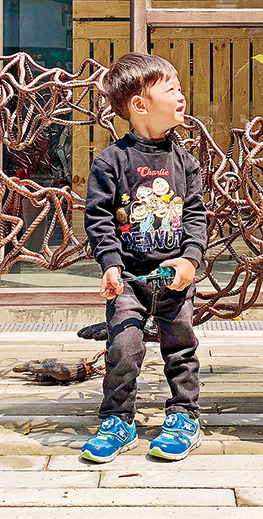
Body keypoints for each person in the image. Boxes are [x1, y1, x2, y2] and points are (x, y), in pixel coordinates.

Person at [80, 53, 207, 462]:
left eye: (180, 88)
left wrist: (189, 262)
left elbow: (195, 216)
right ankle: (118, 419)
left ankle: (185, 414)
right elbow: (98, 219)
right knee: (123, 346)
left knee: (180, 346)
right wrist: (111, 265)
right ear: (139, 105)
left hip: (173, 276)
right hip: (130, 279)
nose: (181, 95)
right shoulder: (111, 162)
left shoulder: (185, 163)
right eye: (171, 89)